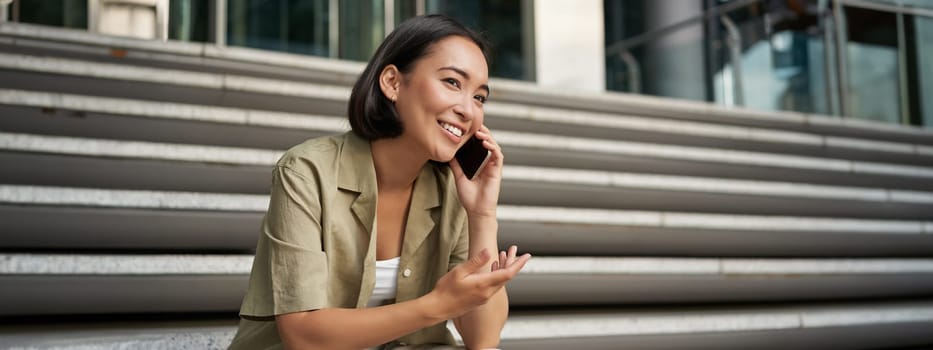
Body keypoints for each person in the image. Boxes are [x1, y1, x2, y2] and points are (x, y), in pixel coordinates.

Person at [228, 14, 531, 350]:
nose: (468, 110)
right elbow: (303, 335)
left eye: (480, 97)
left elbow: (483, 341)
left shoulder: (452, 190)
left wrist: (482, 214)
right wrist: (437, 306)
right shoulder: (307, 172)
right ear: (392, 83)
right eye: (452, 82)